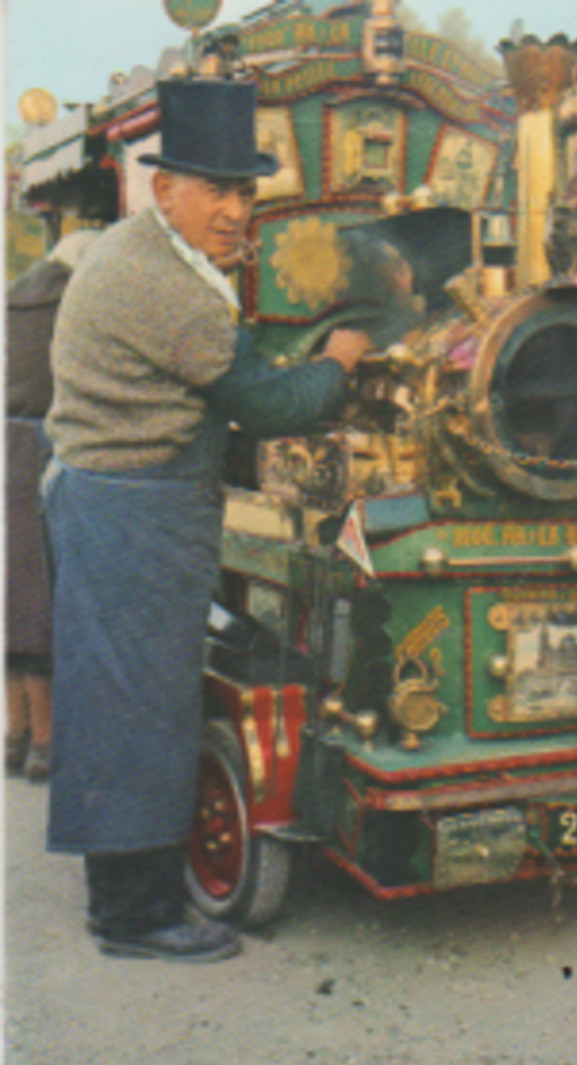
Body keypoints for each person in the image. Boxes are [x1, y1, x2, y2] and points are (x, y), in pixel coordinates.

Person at [43, 79, 371, 963]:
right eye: (216, 191)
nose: (235, 212)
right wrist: (340, 361)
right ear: (165, 189)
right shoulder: (166, 286)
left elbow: (234, 370)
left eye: (245, 192)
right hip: (133, 510)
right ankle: (136, 919)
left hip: (114, 495)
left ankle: (121, 896)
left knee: (119, 702)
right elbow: (266, 400)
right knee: (140, 708)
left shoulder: (144, 254)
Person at [5, 230, 101, 782]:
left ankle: (15, 734)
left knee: (14, 602)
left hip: (7, 445)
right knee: (43, 602)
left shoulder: (16, 293)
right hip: (49, 448)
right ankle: (47, 741)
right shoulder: (75, 296)